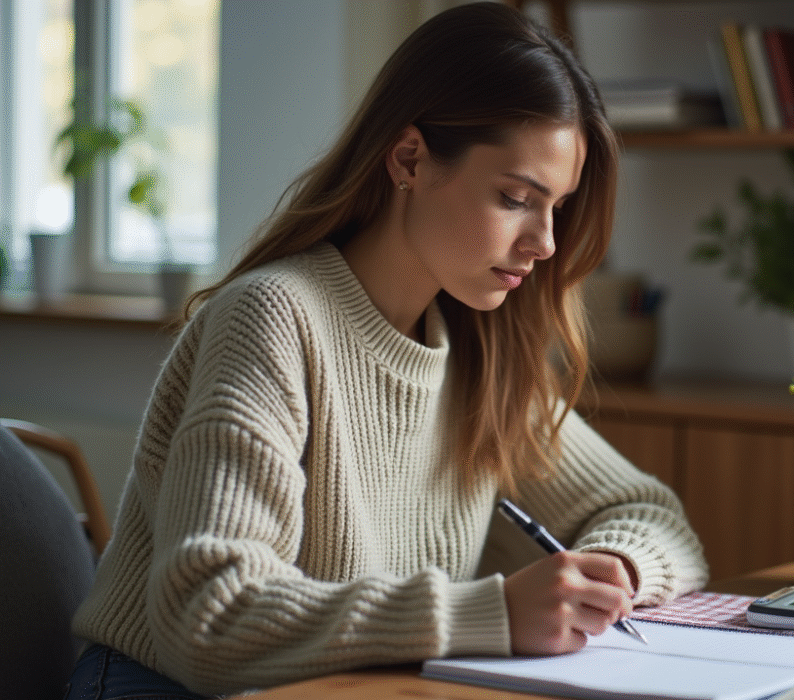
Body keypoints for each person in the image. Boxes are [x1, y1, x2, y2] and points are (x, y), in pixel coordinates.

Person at [64, 3, 708, 698]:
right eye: (517, 197)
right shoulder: (273, 318)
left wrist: (611, 574)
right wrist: (489, 613)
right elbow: (212, 616)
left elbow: (653, 515)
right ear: (409, 159)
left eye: (556, 206)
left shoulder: (477, 345)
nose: (546, 242)